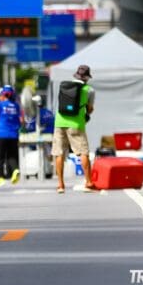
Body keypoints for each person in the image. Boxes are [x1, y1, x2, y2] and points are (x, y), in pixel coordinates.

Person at [53, 64, 97, 193]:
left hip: (59, 122)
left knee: (59, 153)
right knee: (83, 152)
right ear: (87, 77)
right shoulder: (89, 90)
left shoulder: (64, 86)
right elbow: (89, 109)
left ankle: (60, 185)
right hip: (76, 124)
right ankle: (88, 182)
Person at [0, 85, 22, 185]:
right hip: (14, 134)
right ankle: (15, 169)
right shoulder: (16, 105)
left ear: (3, 94)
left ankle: (0, 178)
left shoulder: (0, 105)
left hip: (1, 134)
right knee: (12, 156)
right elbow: (21, 120)